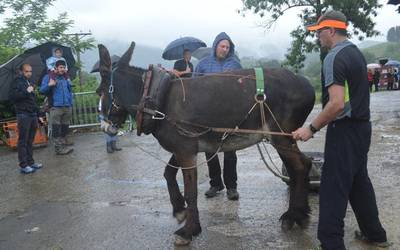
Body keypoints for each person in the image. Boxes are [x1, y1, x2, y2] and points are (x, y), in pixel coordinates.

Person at [292, 10, 391, 249]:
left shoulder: (334, 57)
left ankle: (331, 243)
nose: (318, 38)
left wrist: (310, 128)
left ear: (331, 31)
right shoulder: (355, 53)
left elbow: (336, 104)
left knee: (333, 188)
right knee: (358, 181)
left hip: (344, 131)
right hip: (361, 128)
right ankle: (375, 234)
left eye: (319, 33)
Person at [193, 32, 242, 200]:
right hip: (208, 114)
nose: (225, 49)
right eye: (222, 46)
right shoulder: (203, 64)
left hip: (229, 113)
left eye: (228, 47)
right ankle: (215, 184)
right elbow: (194, 86)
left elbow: (243, 88)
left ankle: (232, 187)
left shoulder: (235, 64)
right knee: (210, 150)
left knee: (230, 151)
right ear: (215, 46)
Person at [8, 63, 43, 174]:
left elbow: (32, 101)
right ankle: (23, 165)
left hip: (32, 114)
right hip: (23, 114)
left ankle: (31, 162)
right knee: (23, 140)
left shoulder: (29, 82)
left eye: (30, 71)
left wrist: (39, 114)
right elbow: (13, 97)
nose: (29, 73)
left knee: (30, 140)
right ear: (21, 71)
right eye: (27, 71)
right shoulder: (16, 82)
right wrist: (26, 91)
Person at [40, 60, 74, 155]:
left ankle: (63, 145)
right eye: (60, 67)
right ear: (56, 68)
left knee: (65, 128)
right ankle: (58, 149)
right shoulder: (49, 77)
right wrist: (49, 85)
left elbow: (69, 91)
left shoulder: (65, 78)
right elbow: (42, 90)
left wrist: (71, 103)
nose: (62, 69)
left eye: (63, 67)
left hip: (67, 106)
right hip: (55, 107)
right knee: (56, 128)